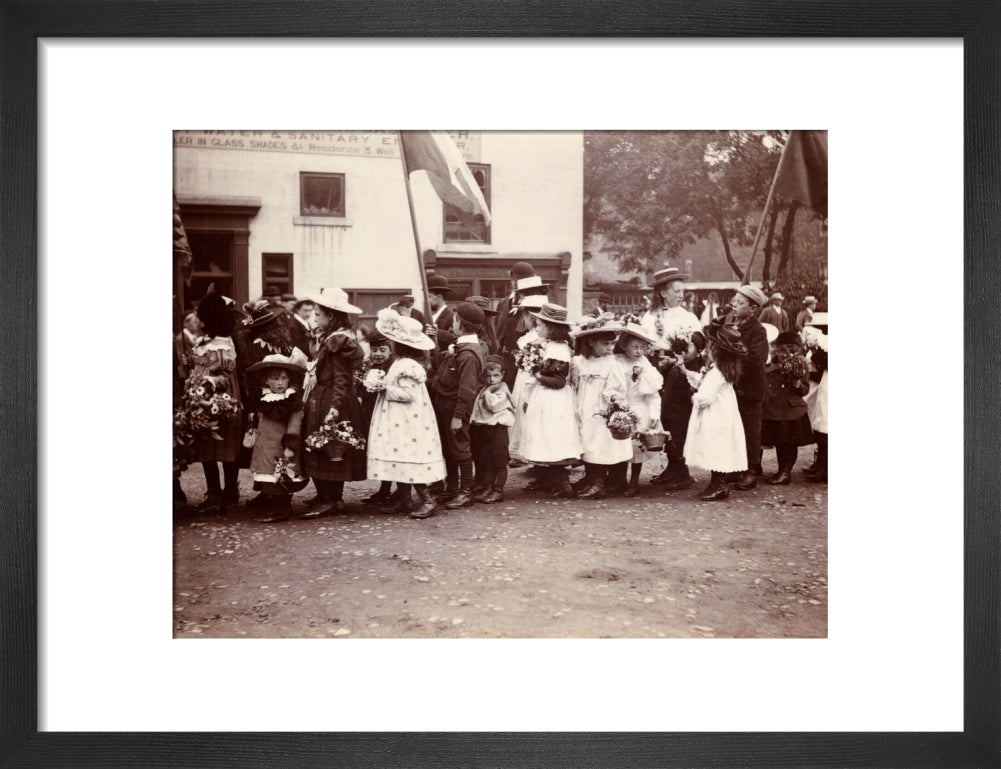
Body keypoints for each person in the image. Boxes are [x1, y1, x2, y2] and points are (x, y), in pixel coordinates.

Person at [365, 308, 444, 519]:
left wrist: (383, 387)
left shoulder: (407, 365)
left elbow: (408, 394)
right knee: (398, 455)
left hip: (407, 419)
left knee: (407, 455)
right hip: (398, 417)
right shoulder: (400, 362)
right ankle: (404, 499)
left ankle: (428, 500)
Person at [299, 288, 368, 518]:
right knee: (320, 445)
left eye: (318, 314)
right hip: (322, 395)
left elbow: (341, 378)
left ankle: (332, 498)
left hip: (332, 399)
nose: (315, 318)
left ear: (331, 316)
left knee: (331, 445)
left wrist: (335, 408)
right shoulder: (331, 337)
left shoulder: (339, 341)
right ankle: (325, 496)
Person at [640, 266, 702, 491]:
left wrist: (678, 359)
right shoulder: (649, 316)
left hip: (678, 373)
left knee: (677, 417)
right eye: (676, 290)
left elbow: (697, 347)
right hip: (655, 369)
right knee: (661, 416)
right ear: (663, 292)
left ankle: (680, 469)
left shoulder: (688, 317)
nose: (681, 294)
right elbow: (642, 342)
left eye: (682, 290)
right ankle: (672, 466)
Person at [187, 290, 243, 512]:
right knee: (207, 445)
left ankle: (228, 492)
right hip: (203, 399)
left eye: (199, 316)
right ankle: (215, 492)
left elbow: (225, 376)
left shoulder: (221, 344)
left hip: (219, 400)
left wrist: (207, 381)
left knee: (224, 445)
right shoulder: (206, 342)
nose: (196, 320)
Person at [518, 303, 582, 498]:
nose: (536, 329)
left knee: (553, 437)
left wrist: (536, 373)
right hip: (545, 397)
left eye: (540, 325)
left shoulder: (558, 350)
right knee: (544, 437)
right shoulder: (549, 346)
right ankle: (546, 478)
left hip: (554, 399)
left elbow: (558, 382)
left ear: (552, 328)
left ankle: (562, 483)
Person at [429, 302, 487, 509]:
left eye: (454, 320)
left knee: (460, 448)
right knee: (448, 448)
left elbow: (467, 389)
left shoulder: (469, 354)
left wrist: (458, 416)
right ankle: (452, 487)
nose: (452, 323)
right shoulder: (461, 347)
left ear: (459, 322)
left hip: (455, 407)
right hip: (445, 404)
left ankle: (466, 492)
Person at [684, 320, 748, 501]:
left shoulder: (716, 373)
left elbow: (706, 396)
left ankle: (719, 485)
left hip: (715, 416)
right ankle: (717, 483)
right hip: (723, 415)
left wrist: (695, 398)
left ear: (716, 351)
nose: (707, 351)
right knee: (719, 447)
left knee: (715, 448)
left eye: (710, 347)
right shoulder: (722, 370)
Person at [570, 316, 633, 500]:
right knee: (587, 440)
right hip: (585, 406)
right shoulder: (581, 361)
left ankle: (601, 482)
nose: (610, 348)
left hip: (602, 409)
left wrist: (612, 398)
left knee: (600, 442)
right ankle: (590, 478)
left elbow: (617, 388)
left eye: (612, 344)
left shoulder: (612, 364)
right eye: (605, 344)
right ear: (591, 342)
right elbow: (575, 383)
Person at [245, 351, 309, 523]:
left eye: (283, 378)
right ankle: (270, 499)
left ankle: (283, 508)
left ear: (289, 380)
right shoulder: (264, 397)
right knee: (268, 474)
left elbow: (295, 424)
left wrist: (290, 446)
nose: (280, 383)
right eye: (275, 378)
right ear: (266, 380)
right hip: (266, 447)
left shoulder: (291, 400)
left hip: (282, 447)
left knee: (283, 474)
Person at [611, 322, 665, 497]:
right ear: (623, 345)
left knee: (637, 448)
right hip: (622, 407)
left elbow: (653, 393)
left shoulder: (644, 363)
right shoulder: (616, 361)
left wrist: (654, 414)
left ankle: (634, 481)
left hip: (640, 409)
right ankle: (618, 479)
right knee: (620, 444)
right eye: (635, 347)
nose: (639, 351)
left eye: (642, 347)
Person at [726, 284, 770, 490]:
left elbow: (757, 358)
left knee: (751, 431)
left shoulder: (758, 330)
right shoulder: (734, 325)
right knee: (736, 429)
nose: (734, 305)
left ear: (752, 308)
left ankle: (752, 470)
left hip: (751, 389)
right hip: (735, 388)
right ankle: (738, 467)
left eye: (740, 302)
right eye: (734, 301)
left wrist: (732, 358)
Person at [761, 332, 815, 485]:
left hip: (792, 411)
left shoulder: (800, 364)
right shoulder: (771, 361)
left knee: (789, 443)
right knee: (780, 442)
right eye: (786, 348)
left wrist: (798, 384)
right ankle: (781, 471)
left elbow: (805, 389)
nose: (790, 353)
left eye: (793, 349)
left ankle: (785, 472)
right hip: (774, 408)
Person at [356, 327, 396, 507]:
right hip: (371, 411)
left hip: (388, 414)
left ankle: (396, 490)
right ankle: (384, 489)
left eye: (382, 350)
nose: (378, 354)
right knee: (379, 450)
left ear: (390, 350)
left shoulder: (393, 368)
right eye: (374, 350)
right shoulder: (369, 366)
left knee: (389, 450)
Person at [507, 293, 548, 464]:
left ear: (530, 316)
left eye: (524, 316)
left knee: (528, 411)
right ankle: (523, 453)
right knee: (521, 411)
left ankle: (530, 454)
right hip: (524, 375)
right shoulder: (532, 334)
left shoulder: (536, 338)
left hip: (531, 378)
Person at [469, 355, 516, 504]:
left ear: (502, 375)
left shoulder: (502, 391)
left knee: (500, 462)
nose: (491, 379)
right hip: (486, 429)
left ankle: (498, 490)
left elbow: (493, 406)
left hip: (498, 430)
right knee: (488, 461)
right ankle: (488, 487)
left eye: (495, 375)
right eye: (488, 376)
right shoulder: (486, 388)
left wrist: (488, 392)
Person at [496, 262, 550, 388]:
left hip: (526, 360)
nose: (516, 283)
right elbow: (498, 330)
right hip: (504, 358)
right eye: (515, 280)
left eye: (522, 281)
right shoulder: (505, 302)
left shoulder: (537, 303)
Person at [802, 325, 828, 483]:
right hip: (825, 384)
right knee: (821, 425)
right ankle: (820, 464)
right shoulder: (824, 345)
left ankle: (824, 468)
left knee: (826, 426)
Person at [425, 274, 456, 351]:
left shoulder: (450, 317)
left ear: (439, 297)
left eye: (429, 296)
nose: (427, 300)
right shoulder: (433, 315)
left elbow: (453, 340)